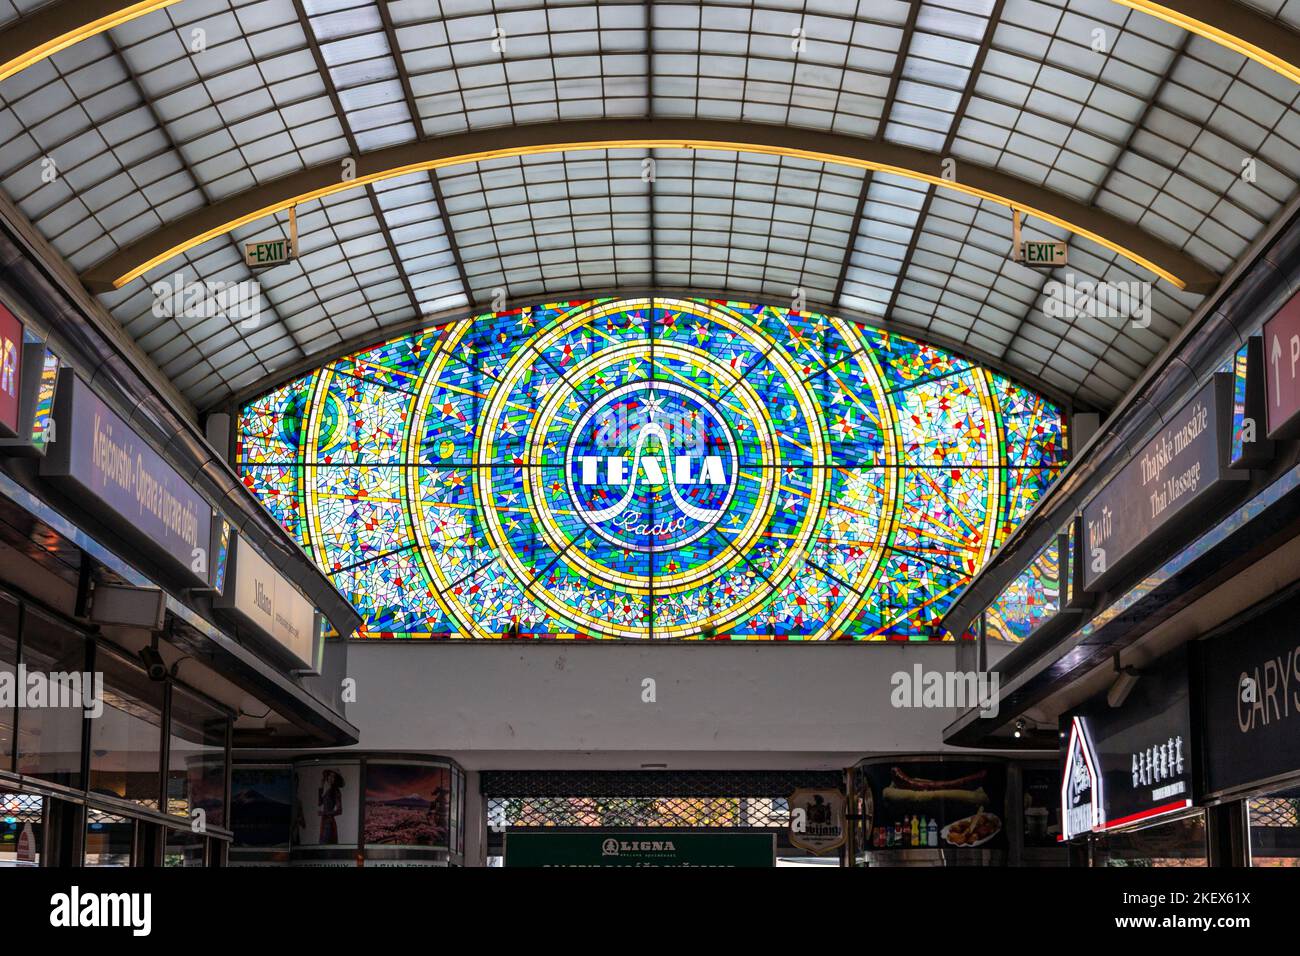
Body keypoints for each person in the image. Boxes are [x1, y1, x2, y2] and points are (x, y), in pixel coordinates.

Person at [318, 769, 345, 844]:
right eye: (329, 775)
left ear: (336, 779)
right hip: (324, 821)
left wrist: (324, 813)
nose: (330, 778)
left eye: (333, 776)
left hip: (329, 823)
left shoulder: (336, 792)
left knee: (325, 844)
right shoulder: (328, 791)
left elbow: (339, 810)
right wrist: (321, 786)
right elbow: (320, 803)